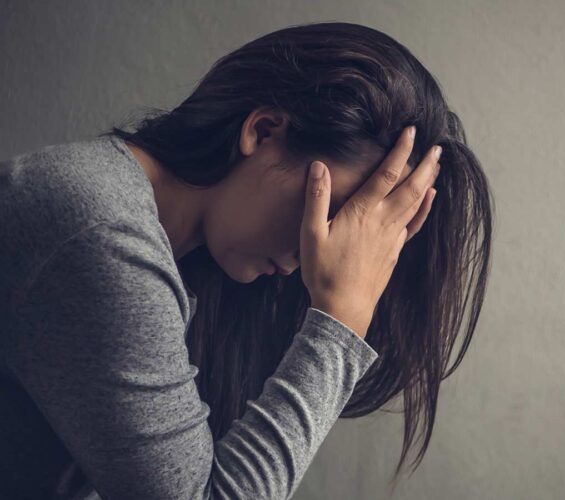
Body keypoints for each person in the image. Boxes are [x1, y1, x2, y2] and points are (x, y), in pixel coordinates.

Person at [0, 21, 493, 499]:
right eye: (336, 214)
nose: (323, 250)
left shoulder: (168, 258)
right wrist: (342, 316)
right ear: (262, 131)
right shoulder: (100, 230)